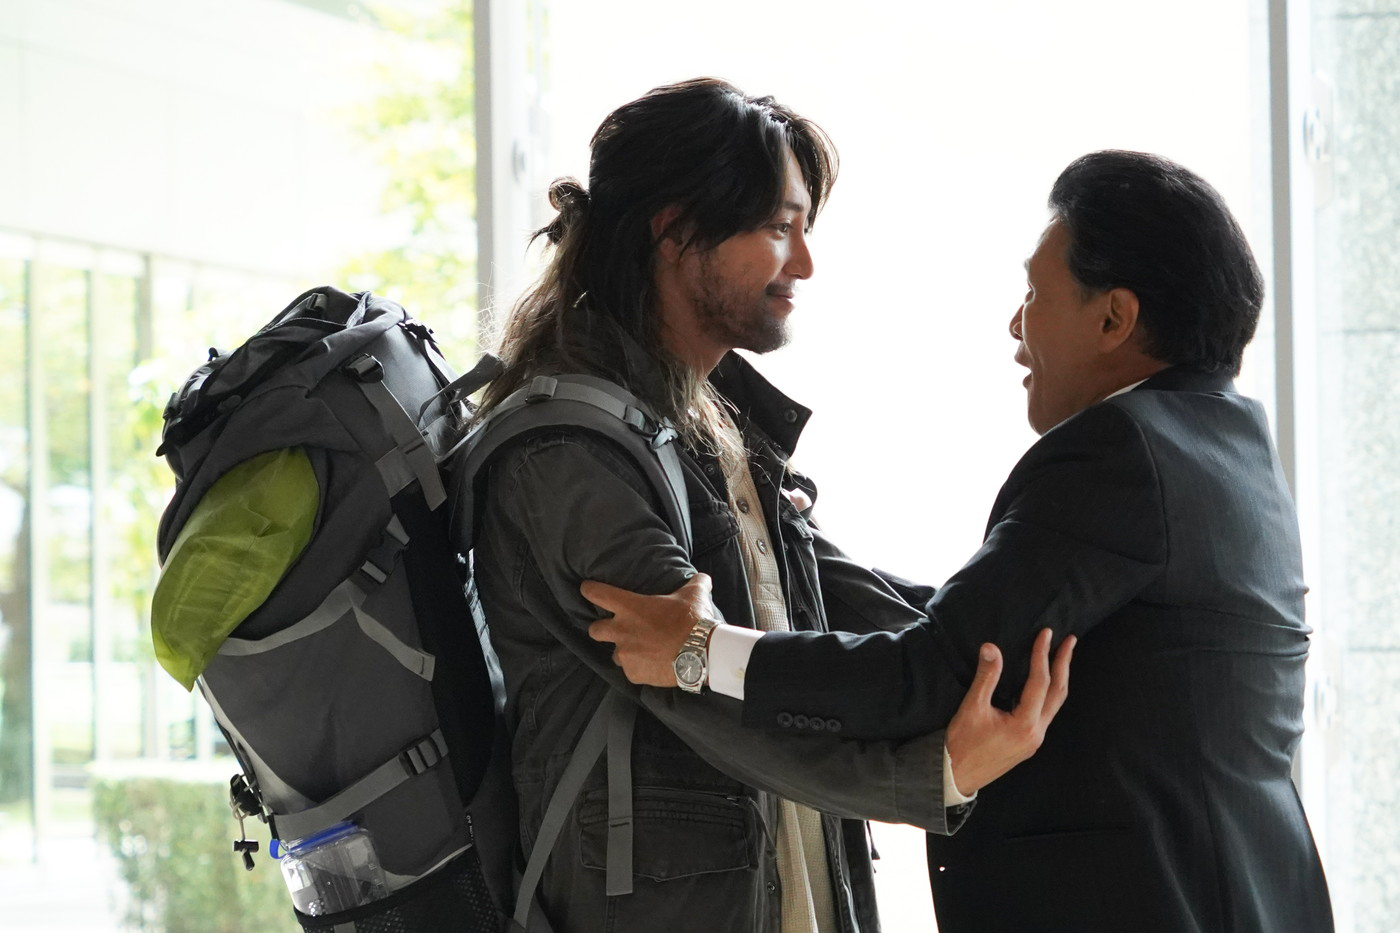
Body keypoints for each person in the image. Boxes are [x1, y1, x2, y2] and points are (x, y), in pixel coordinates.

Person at [586, 150, 1334, 932]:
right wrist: (792, 543)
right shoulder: (1227, 445)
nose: (1016, 325)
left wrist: (701, 650)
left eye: (1034, 294)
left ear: (1114, 317)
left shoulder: (1120, 452)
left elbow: (932, 670)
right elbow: (983, 627)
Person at [468, 77, 1072, 933]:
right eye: (779, 228)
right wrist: (937, 771)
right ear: (675, 233)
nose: (805, 263)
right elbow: (700, 694)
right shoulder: (567, 457)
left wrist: (1033, 635)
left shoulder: (710, 420)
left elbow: (847, 604)